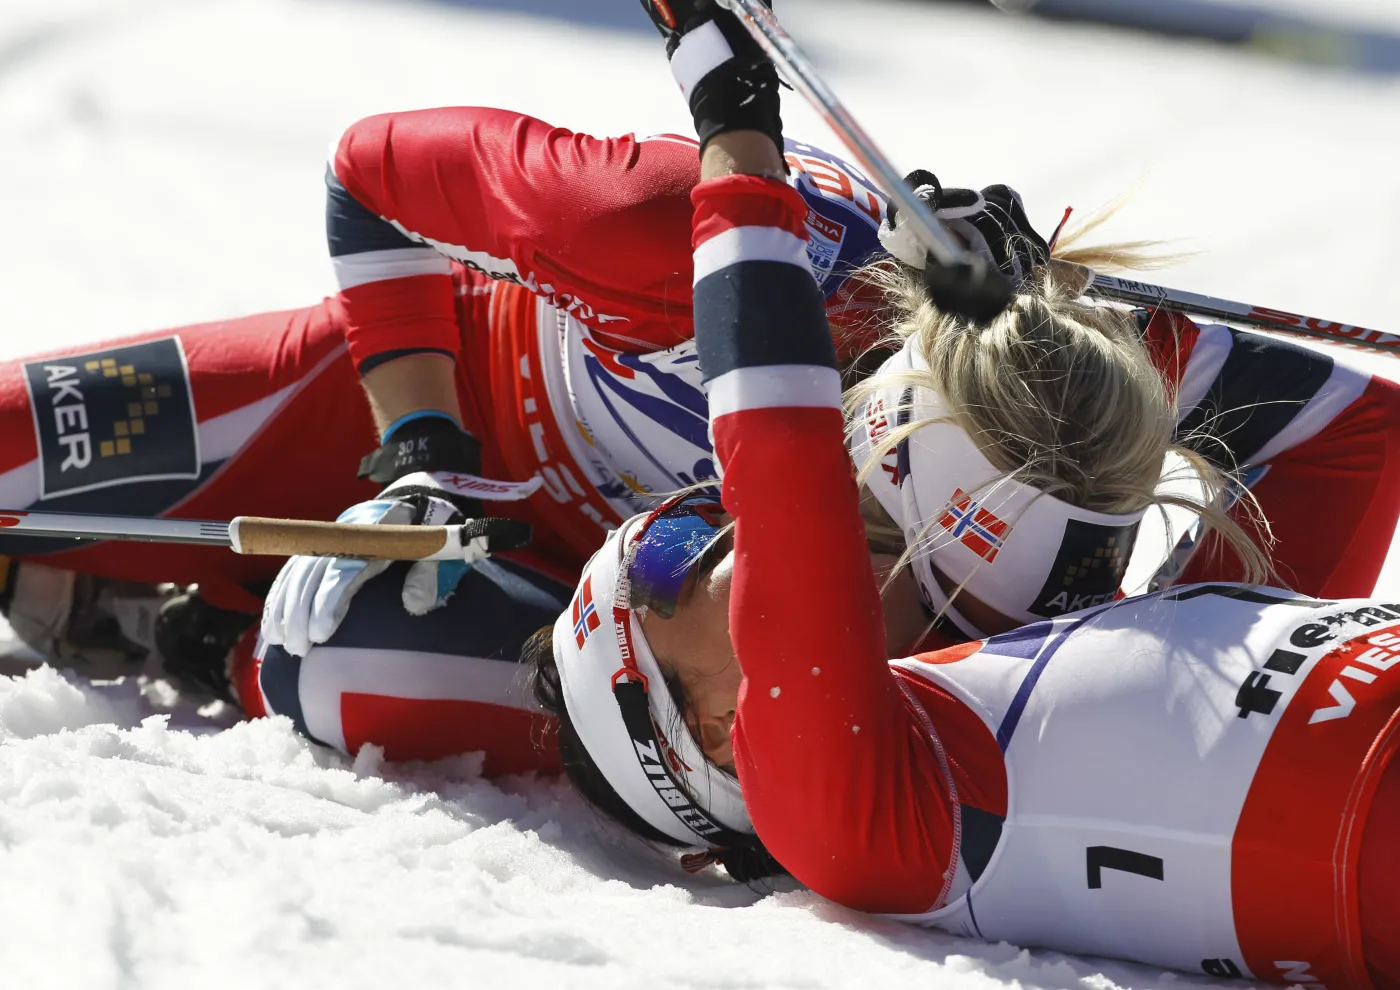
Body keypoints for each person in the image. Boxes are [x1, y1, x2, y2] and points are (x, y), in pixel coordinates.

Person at [537, 2, 1400, 984]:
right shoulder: (842, 824)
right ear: (712, 733)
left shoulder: (1081, 629)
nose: (715, 520)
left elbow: (1340, 435)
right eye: (659, 562)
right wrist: (732, 123)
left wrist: (1014, 322)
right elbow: (778, 446)